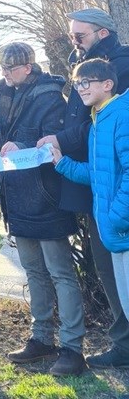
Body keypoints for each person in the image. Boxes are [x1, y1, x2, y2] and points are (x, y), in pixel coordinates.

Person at [37, 8, 129, 368]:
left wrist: (118, 215)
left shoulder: (117, 73)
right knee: (111, 279)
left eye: (81, 35)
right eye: (72, 34)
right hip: (102, 199)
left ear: (103, 34)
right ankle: (123, 345)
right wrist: (61, 161)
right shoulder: (87, 76)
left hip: (117, 213)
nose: (73, 41)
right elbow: (98, 163)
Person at [0, 43, 86, 376]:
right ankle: (41, 338)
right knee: (34, 273)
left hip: (46, 197)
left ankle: (73, 347)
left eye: (10, 69)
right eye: (2, 69)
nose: (5, 74)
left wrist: (24, 147)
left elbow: (54, 144)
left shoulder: (49, 97)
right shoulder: (2, 97)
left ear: (28, 67)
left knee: (60, 273)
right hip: (16, 199)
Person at [52, 60, 129, 323]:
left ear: (107, 85)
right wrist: (61, 163)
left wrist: (116, 217)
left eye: (86, 82)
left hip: (122, 228)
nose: (80, 88)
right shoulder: (100, 120)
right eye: (77, 83)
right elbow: (98, 174)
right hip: (115, 232)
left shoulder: (122, 115)